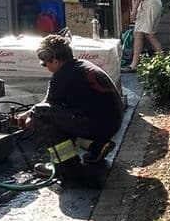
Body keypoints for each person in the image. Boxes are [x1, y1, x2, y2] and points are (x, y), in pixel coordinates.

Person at [20, 33, 124, 165]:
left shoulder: (62, 76)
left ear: (54, 59)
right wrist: (29, 113)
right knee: (58, 112)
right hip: (112, 123)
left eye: (45, 63)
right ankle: (96, 146)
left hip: (99, 125)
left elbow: (45, 107)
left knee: (43, 116)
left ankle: (65, 165)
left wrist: (31, 117)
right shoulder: (81, 65)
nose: (45, 67)